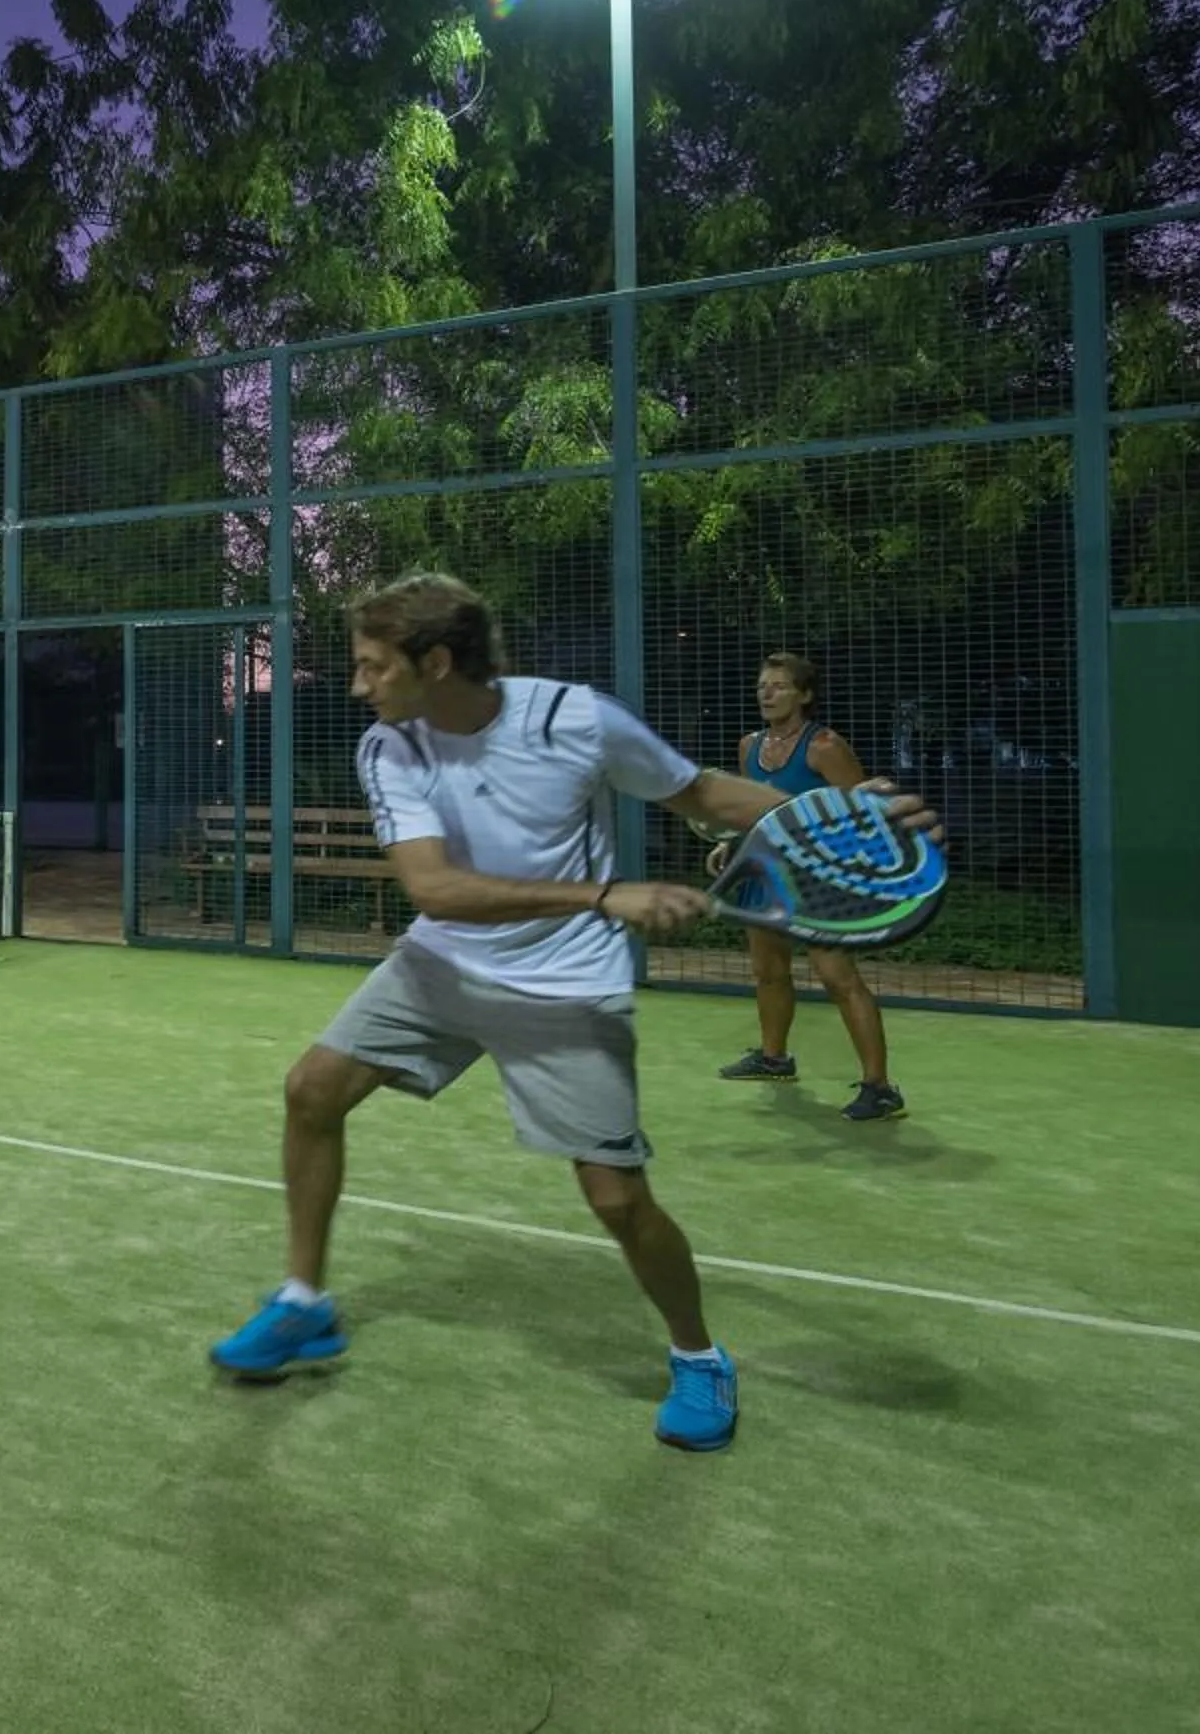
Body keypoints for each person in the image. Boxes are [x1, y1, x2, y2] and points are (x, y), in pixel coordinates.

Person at [204, 574, 941, 1453]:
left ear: (435, 662)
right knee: (312, 1091)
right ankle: (303, 1303)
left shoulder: (574, 720)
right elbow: (434, 888)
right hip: (443, 963)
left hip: (562, 986)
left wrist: (848, 819)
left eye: (372, 667)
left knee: (617, 1198)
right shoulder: (389, 747)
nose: (359, 686)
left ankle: (699, 1356)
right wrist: (603, 894)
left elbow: (701, 794)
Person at [715, 653, 904, 1119]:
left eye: (779, 686)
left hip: (820, 880)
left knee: (839, 980)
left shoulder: (823, 747)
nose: (767, 693)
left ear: (804, 695)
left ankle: (880, 1088)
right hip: (765, 875)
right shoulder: (749, 746)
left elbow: (862, 815)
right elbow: (757, 810)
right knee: (768, 971)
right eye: (763, 685)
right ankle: (774, 1058)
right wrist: (734, 846)